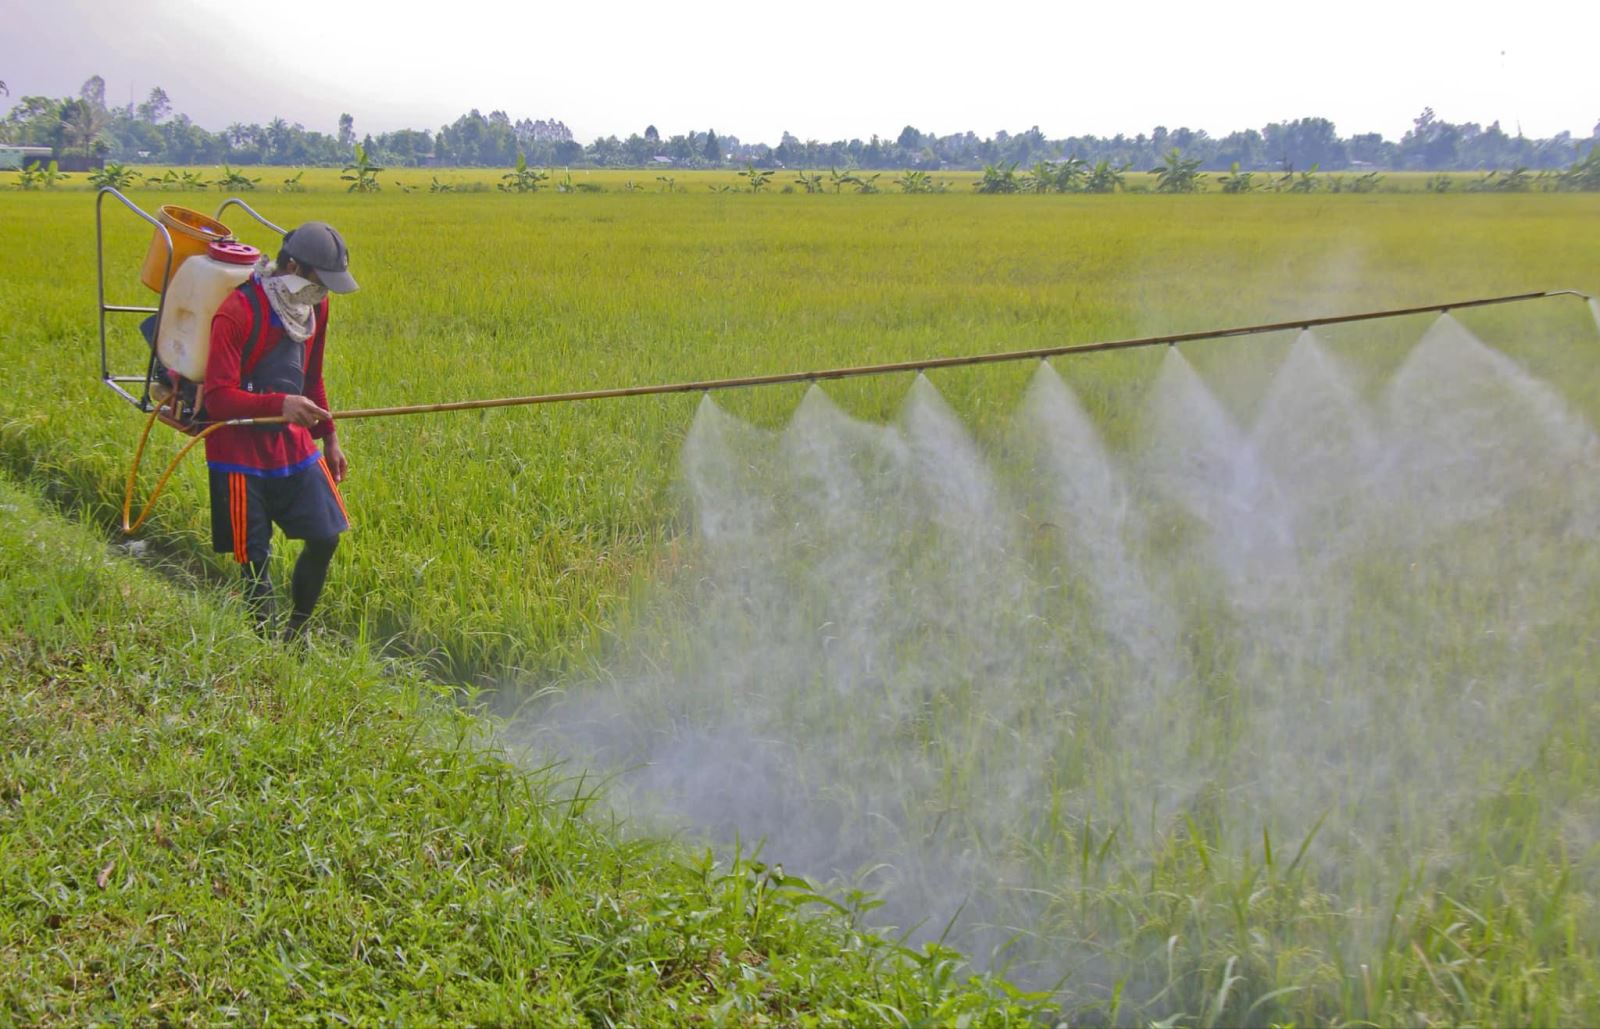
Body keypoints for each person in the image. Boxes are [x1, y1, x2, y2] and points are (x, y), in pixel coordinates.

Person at [201, 221, 358, 639]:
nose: (322, 292)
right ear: (291, 266)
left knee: (326, 536)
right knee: (255, 559)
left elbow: (312, 378)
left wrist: (330, 436)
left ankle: (295, 634)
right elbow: (217, 398)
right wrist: (280, 405)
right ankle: (263, 645)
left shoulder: (315, 309)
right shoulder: (238, 311)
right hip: (236, 449)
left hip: (291, 442)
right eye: (318, 281)